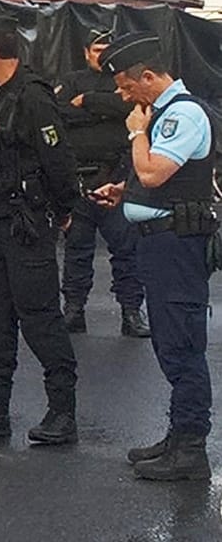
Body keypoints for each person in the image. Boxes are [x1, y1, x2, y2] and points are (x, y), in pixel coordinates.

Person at [92, 33, 216, 482]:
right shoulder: (163, 114)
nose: (124, 96)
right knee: (167, 342)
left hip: (176, 245)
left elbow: (153, 170)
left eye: (127, 86)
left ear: (148, 76)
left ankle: (191, 450)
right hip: (158, 241)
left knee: (182, 345)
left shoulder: (181, 115)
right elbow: (153, 180)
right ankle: (177, 435)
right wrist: (125, 192)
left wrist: (137, 133)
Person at [0, 13, 80, 446]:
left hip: (27, 225)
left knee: (40, 317)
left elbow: (59, 162)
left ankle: (62, 412)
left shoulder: (33, 98)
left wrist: (65, 210)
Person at [56, 29, 149, 337]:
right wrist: (102, 112)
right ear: (86, 52)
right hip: (80, 178)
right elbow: (59, 111)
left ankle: (131, 312)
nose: (101, 54)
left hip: (117, 177)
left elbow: (130, 109)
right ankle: (73, 310)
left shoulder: (124, 82)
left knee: (127, 251)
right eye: (96, 49)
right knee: (77, 250)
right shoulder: (70, 81)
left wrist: (89, 102)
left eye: (107, 49)